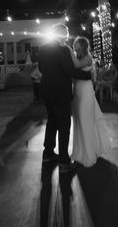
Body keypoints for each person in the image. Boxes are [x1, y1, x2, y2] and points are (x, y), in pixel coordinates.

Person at [38, 23, 92, 173]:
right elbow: (70, 70)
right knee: (64, 126)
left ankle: (47, 154)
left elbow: (41, 68)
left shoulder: (42, 49)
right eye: (66, 33)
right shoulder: (62, 50)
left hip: (47, 92)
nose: (67, 36)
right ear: (60, 34)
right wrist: (88, 75)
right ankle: (63, 162)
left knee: (52, 122)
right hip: (60, 93)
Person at [68, 36, 111, 167]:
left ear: (82, 46)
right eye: (74, 44)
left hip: (86, 92)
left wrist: (67, 49)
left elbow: (75, 65)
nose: (74, 45)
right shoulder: (78, 56)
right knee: (79, 122)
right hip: (77, 92)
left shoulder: (87, 57)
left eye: (76, 44)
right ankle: (80, 151)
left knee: (85, 120)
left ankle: (89, 154)